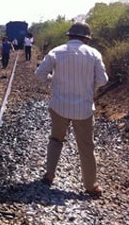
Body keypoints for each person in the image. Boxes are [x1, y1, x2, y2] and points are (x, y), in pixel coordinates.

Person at [35, 22, 108, 196]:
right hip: (83, 108)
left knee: (55, 140)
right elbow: (103, 80)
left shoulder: (56, 52)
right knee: (86, 147)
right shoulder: (94, 54)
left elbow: (40, 74)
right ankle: (90, 185)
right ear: (86, 38)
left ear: (70, 36)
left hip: (59, 105)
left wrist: (54, 78)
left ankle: (50, 174)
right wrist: (89, 86)